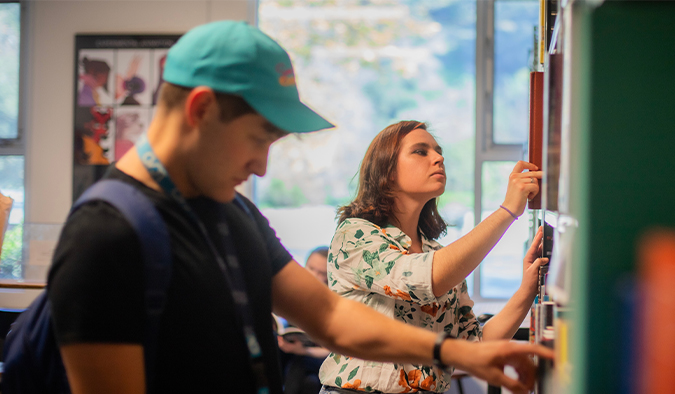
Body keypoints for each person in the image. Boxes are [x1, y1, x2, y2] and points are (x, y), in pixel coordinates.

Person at [47, 21, 550, 394]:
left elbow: (331, 318)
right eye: (258, 139)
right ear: (200, 110)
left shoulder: (235, 217)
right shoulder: (107, 235)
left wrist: (452, 351)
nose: (263, 167)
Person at [321, 121, 546, 394]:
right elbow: (420, 279)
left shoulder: (437, 255)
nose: (438, 158)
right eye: (420, 151)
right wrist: (508, 210)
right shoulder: (354, 235)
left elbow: (474, 345)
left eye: (438, 151)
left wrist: (528, 287)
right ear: (387, 171)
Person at [277, 246, 332, 394]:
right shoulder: (293, 293)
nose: (313, 275)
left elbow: (331, 352)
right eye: (311, 268)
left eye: (321, 273)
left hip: (315, 357)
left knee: (299, 362)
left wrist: (304, 351)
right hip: (291, 351)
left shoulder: (332, 304)